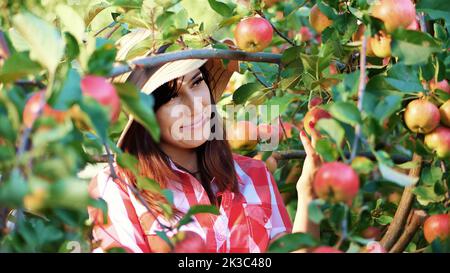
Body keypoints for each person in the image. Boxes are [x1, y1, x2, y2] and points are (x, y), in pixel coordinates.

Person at [88, 29, 321, 253]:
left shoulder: (253, 176)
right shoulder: (119, 191)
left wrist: (309, 193)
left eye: (197, 82)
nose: (195, 105)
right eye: (171, 96)